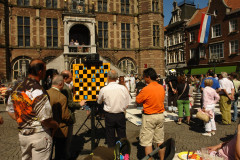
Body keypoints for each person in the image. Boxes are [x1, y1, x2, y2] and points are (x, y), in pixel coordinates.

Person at [6, 59, 59, 159]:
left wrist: (22, 120)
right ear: (40, 72)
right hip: (39, 134)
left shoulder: (16, 87)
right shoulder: (38, 90)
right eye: (44, 70)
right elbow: (45, 119)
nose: (45, 72)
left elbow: (10, 110)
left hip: (23, 135)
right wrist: (55, 125)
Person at [136, 68, 165, 160]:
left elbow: (138, 100)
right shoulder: (161, 87)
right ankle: (162, 158)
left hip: (149, 116)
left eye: (144, 77)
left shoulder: (146, 89)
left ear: (148, 77)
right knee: (160, 140)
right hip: (160, 115)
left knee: (147, 142)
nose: (144, 78)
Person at [97, 70, 130, 148]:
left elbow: (99, 102)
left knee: (110, 137)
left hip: (109, 115)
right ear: (117, 78)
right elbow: (127, 103)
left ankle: (111, 155)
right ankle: (124, 156)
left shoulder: (104, 89)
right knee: (122, 137)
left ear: (108, 77)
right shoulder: (123, 88)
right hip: (120, 115)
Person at [61, 70, 86, 159]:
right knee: (67, 139)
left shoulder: (62, 86)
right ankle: (67, 156)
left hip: (61, 117)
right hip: (67, 116)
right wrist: (80, 104)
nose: (72, 79)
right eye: (71, 78)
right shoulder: (65, 89)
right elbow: (70, 104)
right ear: (65, 78)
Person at [47, 75, 72, 160]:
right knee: (60, 152)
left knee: (47, 152)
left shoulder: (45, 93)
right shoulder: (61, 97)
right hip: (60, 128)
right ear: (61, 84)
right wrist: (70, 119)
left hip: (47, 127)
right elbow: (65, 116)